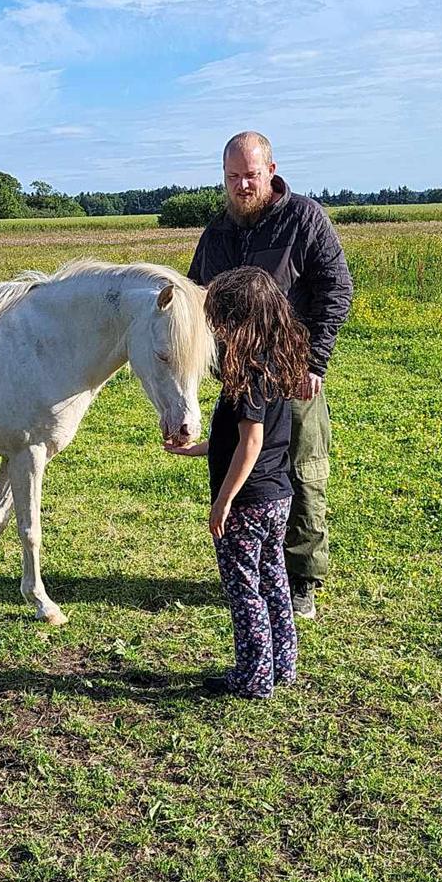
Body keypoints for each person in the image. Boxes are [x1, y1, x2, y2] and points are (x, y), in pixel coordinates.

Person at [188, 131, 353, 619]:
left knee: (301, 472)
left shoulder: (303, 218)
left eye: (251, 176)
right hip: (238, 373)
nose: (242, 186)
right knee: (244, 464)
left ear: (272, 170)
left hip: (293, 372)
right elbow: (199, 298)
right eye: (233, 177)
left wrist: (314, 361)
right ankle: (259, 568)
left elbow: (336, 290)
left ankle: (301, 578)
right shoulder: (217, 232)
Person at [166, 266, 311, 699]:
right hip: (277, 497)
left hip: (247, 504)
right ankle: (281, 664)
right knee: (274, 581)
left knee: (244, 590)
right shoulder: (278, 363)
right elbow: (245, 440)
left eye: (216, 322)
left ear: (236, 323)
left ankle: (252, 678)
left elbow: (251, 444)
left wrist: (224, 501)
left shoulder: (246, 375)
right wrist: (202, 448)